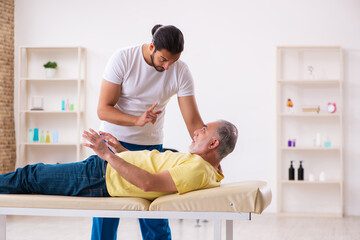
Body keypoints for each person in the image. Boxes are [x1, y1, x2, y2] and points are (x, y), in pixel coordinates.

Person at [96, 24, 204, 239]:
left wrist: (209, 153)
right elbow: (103, 109)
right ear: (152, 46)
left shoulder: (180, 71)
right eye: (163, 60)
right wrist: (136, 121)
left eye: (172, 61)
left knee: (154, 214)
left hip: (150, 147)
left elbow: (193, 121)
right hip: (112, 141)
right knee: (107, 212)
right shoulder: (124, 58)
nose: (167, 67)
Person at [0, 120, 238, 204]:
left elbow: (148, 182)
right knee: (30, 176)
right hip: (106, 169)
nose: (197, 132)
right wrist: (119, 149)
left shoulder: (198, 170)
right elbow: (150, 166)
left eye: (204, 130)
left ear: (213, 144)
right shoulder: (205, 167)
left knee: (30, 176)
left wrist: (106, 154)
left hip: (101, 176)